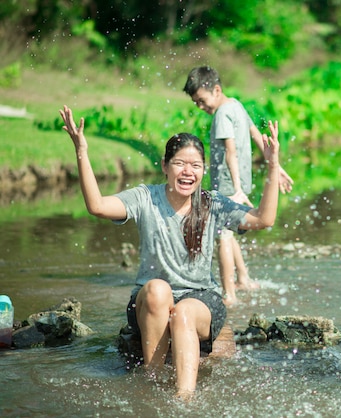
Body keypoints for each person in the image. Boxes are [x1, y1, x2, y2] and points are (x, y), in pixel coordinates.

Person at [59, 105, 282, 400]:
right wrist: (82, 151)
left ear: (203, 170)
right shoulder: (145, 198)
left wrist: (272, 165)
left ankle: (183, 398)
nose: (188, 171)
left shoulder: (213, 203)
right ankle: (151, 383)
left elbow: (263, 219)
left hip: (201, 300)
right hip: (151, 302)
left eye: (196, 165)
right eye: (179, 163)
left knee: (185, 312)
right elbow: (97, 206)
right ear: (165, 165)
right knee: (156, 290)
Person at [183, 66, 294, 306]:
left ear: (216, 89)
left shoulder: (222, 114)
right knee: (230, 234)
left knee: (222, 236)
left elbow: (230, 151)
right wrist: (276, 165)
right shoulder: (236, 104)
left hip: (228, 185)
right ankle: (243, 277)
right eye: (196, 103)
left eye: (202, 101)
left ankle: (228, 294)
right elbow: (257, 135)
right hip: (241, 181)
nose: (201, 107)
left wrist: (236, 189)